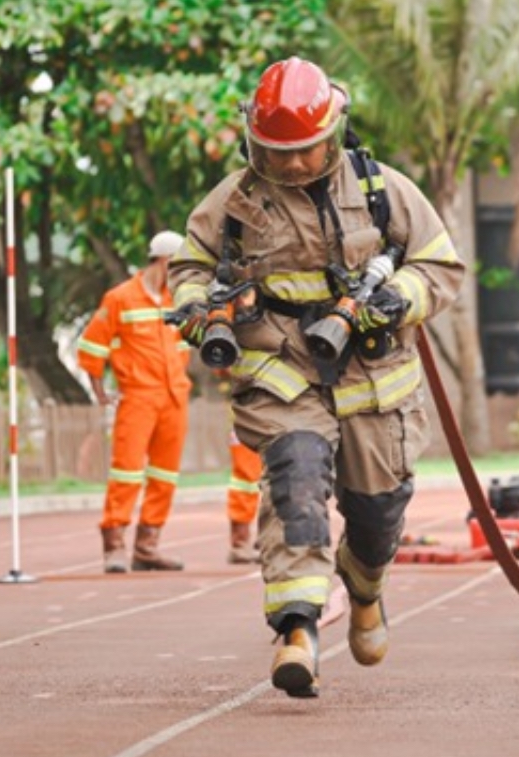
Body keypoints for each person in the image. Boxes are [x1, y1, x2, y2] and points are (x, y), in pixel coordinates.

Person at [169, 56, 464, 698]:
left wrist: (396, 298)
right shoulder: (234, 202)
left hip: (375, 381)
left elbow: (441, 265)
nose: (296, 165)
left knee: (378, 514)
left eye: (307, 151)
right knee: (294, 482)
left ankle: (365, 590)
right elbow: (188, 267)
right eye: (280, 153)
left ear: (333, 133)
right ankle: (297, 631)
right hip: (283, 376)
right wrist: (201, 307)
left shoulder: (383, 190)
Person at [78, 230, 191, 573]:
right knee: (126, 472)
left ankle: (147, 547)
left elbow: (184, 347)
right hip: (139, 398)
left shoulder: (179, 300)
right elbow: (92, 346)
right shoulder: (120, 298)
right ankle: (114, 545)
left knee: (165, 475)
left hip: (175, 397)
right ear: (164, 260)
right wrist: (99, 390)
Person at [226, 429, 262, 565]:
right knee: (245, 478)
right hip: (247, 416)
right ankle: (240, 541)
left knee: (283, 473)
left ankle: (271, 537)